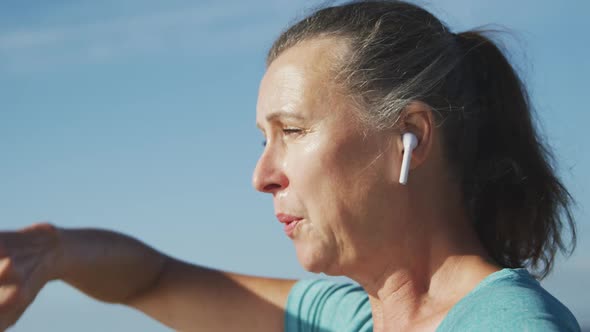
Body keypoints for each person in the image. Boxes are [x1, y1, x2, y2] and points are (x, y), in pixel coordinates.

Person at [0, 1, 581, 331]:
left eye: (293, 131)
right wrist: (50, 253)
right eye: (263, 140)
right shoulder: (347, 320)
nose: (262, 176)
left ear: (410, 136)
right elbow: (155, 279)